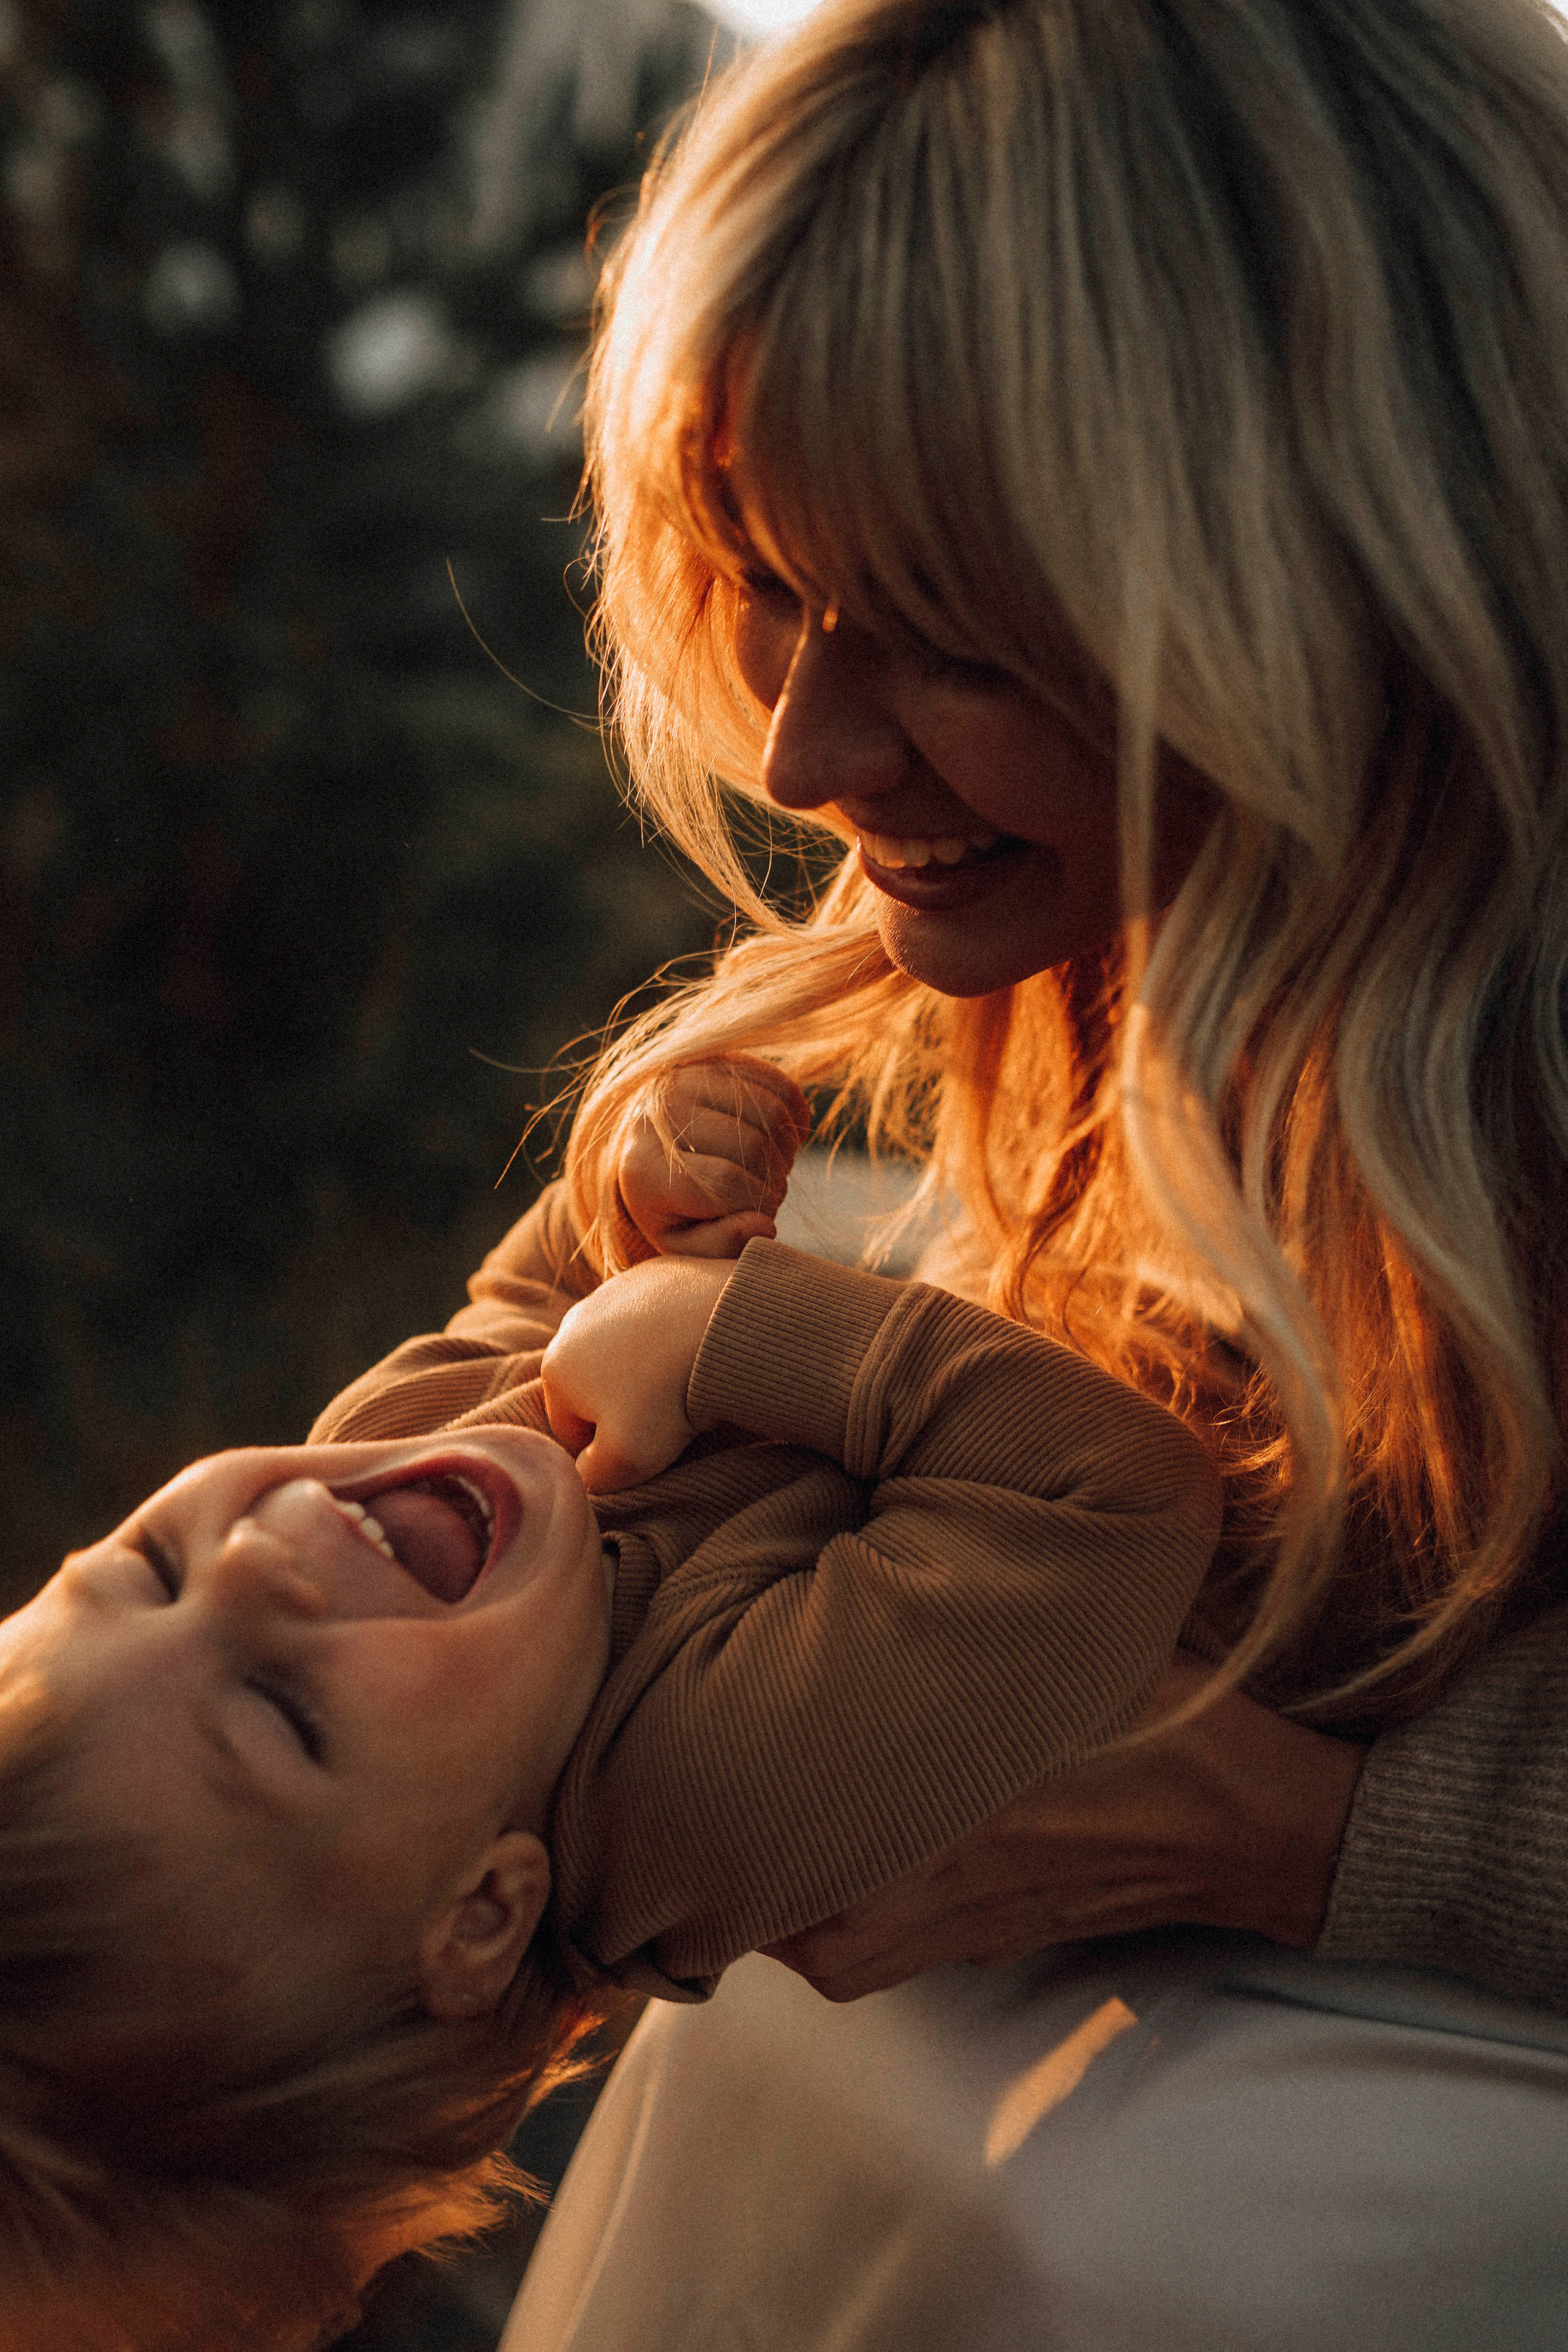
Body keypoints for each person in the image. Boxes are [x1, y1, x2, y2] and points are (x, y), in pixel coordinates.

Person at [348, 0, 1567, 2339]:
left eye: (942, 638)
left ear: (1328, 600)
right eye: (765, 582)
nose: (802, 744)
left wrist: (1303, 1832)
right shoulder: (1069, 941)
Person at [0, 1065, 1220, 2352]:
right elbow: (1111, 1500)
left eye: (149, 1571)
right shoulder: (708, 1781)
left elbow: (531, 1301)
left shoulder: (403, 1481)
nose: (251, 1559)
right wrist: (714, 1327)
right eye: (282, 1712)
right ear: (482, 1911)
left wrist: (642, 1177)